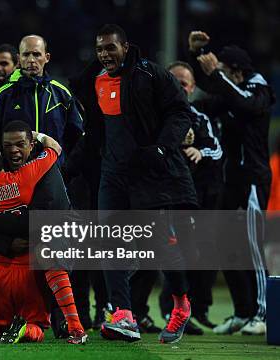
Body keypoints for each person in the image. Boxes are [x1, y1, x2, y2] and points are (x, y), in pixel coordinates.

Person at [70, 24, 197, 344]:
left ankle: (181, 304)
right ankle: (124, 314)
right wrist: (73, 165)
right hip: (113, 175)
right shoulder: (95, 81)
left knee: (160, 244)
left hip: (149, 173)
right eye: (99, 49)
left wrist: (161, 148)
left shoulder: (151, 75)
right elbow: (95, 131)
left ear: (126, 47)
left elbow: (181, 112)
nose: (104, 54)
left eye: (111, 48)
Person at [0, 121, 86, 345]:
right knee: (35, 326)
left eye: (21, 144)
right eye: (8, 145)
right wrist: (37, 134)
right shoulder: (24, 179)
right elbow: (55, 148)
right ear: (0, 154)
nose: (14, 151)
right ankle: (74, 327)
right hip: (28, 270)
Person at [187, 31, 275, 336]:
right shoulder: (231, 89)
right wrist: (197, 56)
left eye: (225, 72)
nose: (219, 79)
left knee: (251, 246)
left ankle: (264, 313)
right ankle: (243, 311)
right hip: (232, 179)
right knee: (226, 245)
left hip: (253, 177)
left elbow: (248, 105)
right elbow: (202, 96)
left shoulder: (259, 87)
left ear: (237, 72)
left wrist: (217, 76)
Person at [157, 61, 225, 334]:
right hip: (159, 196)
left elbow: (217, 150)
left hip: (190, 198)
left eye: (184, 83)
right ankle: (141, 311)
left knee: (189, 254)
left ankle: (184, 312)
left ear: (193, 87)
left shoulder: (199, 118)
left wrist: (199, 151)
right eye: (174, 81)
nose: (179, 87)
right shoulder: (153, 116)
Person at [0, 34, 83, 160]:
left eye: (36, 54)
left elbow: (79, 136)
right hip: (15, 175)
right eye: (26, 54)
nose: (31, 60)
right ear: (19, 59)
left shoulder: (61, 94)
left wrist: (68, 169)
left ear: (47, 57)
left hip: (54, 174)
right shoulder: (4, 94)